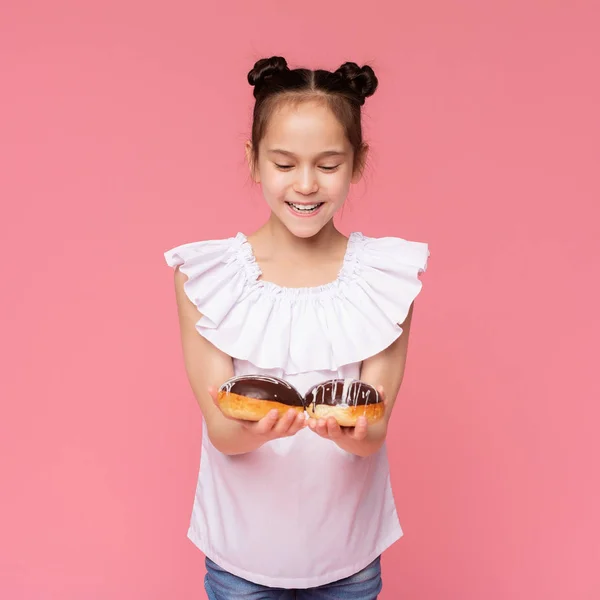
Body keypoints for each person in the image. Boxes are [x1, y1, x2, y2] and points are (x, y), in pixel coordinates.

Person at [164, 55, 429, 599]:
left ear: (358, 163)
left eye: (328, 165)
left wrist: (349, 435)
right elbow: (220, 429)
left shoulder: (386, 278)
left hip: (348, 555)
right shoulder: (207, 276)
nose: (305, 185)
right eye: (284, 164)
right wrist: (255, 431)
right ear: (254, 160)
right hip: (241, 556)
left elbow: (375, 429)